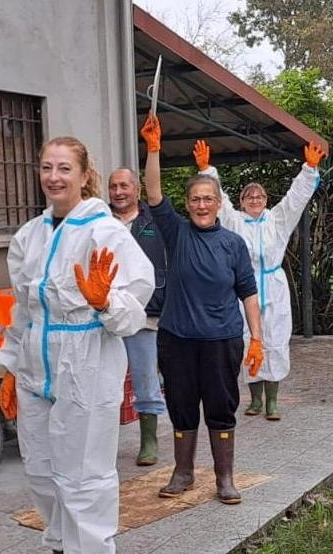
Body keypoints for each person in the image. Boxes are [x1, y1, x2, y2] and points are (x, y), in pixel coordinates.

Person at [0, 136, 155, 554]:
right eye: (47, 167)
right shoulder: (29, 236)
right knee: (41, 472)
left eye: (65, 168)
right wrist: (10, 367)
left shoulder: (105, 231)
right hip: (36, 366)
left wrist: (106, 301)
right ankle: (60, 546)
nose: (54, 177)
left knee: (84, 476)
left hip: (86, 363)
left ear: (85, 176)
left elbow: (138, 298)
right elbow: (23, 309)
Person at [140, 114, 264, 505]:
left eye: (208, 198)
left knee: (221, 407)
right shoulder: (176, 233)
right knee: (181, 407)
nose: (201, 204)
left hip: (222, 339)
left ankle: (225, 478)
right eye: (195, 198)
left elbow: (248, 293)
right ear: (189, 203)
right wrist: (154, 149)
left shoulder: (233, 244)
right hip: (177, 339)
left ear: (219, 203)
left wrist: (257, 338)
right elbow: (154, 192)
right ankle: (183, 472)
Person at [193, 140, 326, 421]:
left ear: (266, 200)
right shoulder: (235, 222)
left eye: (259, 196)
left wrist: (309, 169)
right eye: (248, 197)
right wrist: (207, 169)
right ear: (243, 202)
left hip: (273, 288)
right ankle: (254, 399)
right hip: (243, 289)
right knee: (246, 339)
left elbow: (295, 200)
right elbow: (221, 202)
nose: (254, 200)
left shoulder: (277, 220)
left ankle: (273, 401)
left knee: (275, 340)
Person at [108, 167, 169, 465]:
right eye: (113, 186)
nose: (119, 192)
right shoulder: (100, 223)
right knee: (105, 381)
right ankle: (104, 444)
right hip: (106, 313)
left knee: (145, 377)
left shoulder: (153, 221)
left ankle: (149, 441)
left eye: (124, 186)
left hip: (146, 314)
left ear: (137, 190)